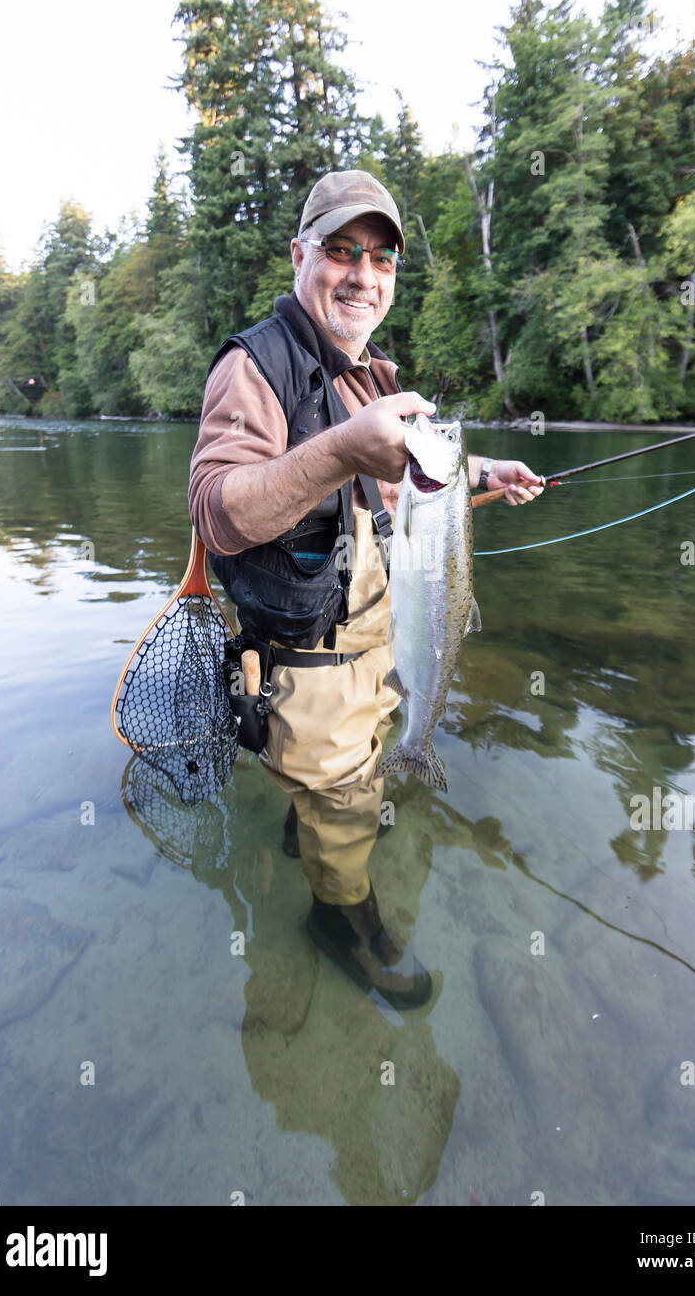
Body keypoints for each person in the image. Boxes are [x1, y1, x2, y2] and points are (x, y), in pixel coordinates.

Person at [189, 170, 543, 1009]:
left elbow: (410, 479)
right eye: (341, 250)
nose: (363, 273)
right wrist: (345, 447)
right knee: (349, 805)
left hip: (382, 644)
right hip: (309, 663)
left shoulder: (373, 375)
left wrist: (487, 470)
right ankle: (341, 919)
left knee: (359, 770)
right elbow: (217, 513)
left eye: (381, 257)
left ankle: (303, 816)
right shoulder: (254, 367)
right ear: (298, 254)